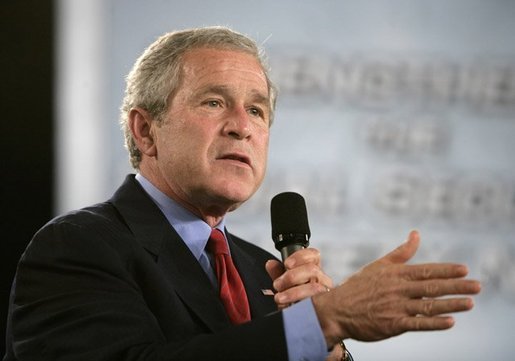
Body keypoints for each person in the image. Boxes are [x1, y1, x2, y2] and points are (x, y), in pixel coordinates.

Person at [3, 26, 480, 361]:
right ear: (146, 130)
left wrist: (327, 348)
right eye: (214, 102)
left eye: (257, 110)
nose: (242, 127)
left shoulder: (263, 272)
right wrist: (321, 323)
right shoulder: (79, 247)